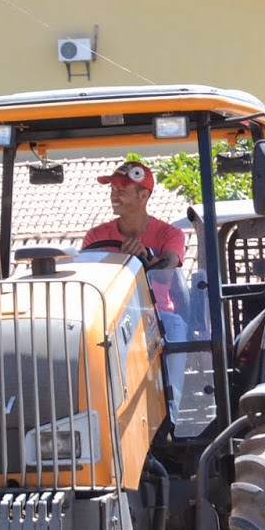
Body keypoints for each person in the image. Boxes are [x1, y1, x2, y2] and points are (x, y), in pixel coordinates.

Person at [84, 160, 189, 413]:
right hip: (110, 318)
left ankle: (171, 413)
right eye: (112, 188)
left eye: (122, 188)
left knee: (175, 327)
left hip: (154, 315)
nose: (114, 194)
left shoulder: (170, 234)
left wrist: (147, 256)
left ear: (143, 195)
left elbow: (167, 275)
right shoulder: (95, 236)